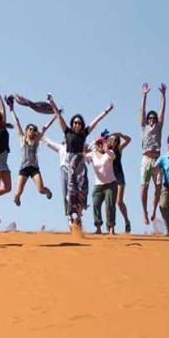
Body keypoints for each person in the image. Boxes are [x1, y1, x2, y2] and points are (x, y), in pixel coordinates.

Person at [47, 94, 113, 228]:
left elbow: (96, 121)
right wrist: (52, 102)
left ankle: (78, 214)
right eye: (75, 123)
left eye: (79, 123)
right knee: (70, 190)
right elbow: (59, 116)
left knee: (82, 188)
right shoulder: (67, 132)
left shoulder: (84, 133)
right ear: (72, 124)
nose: (77, 125)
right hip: (70, 162)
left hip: (80, 163)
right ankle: (70, 216)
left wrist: (106, 111)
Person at [8, 102, 55, 206]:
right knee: (18, 193)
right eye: (30, 129)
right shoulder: (22, 138)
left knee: (40, 189)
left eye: (33, 130)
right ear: (26, 131)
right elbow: (16, 122)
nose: (31, 131)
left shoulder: (36, 140)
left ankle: (48, 192)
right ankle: (17, 198)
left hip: (34, 168)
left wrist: (55, 116)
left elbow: (45, 128)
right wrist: (11, 109)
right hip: (24, 168)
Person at [139, 83, 167, 226]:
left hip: (157, 159)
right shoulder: (144, 126)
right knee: (144, 187)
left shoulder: (158, 126)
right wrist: (144, 95)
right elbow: (142, 111)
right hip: (146, 158)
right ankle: (144, 213)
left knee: (158, 187)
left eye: (153, 118)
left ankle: (153, 210)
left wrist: (163, 96)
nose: (151, 119)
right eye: (149, 118)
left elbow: (162, 112)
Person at [89, 137, 118, 234]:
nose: (100, 145)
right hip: (98, 185)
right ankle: (98, 228)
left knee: (110, 205)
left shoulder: (109, 153)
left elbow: (113, 157)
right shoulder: (92, 154)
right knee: (96, 204)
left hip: (111, 184)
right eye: (98, 144)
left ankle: (111, 228)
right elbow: (84, 156)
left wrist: (106, 149)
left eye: (102, 143)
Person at [105, 131, 133, 233]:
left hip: (119, 177)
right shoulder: (106, 150)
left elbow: (128, 140)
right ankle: (110, 226)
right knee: (109, 202)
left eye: (116, 140)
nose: (115, 141)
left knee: (119, 202)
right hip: (109, 178)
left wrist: (120, 134)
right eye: (113, 140)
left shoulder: (119, 149)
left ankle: (126, 221)